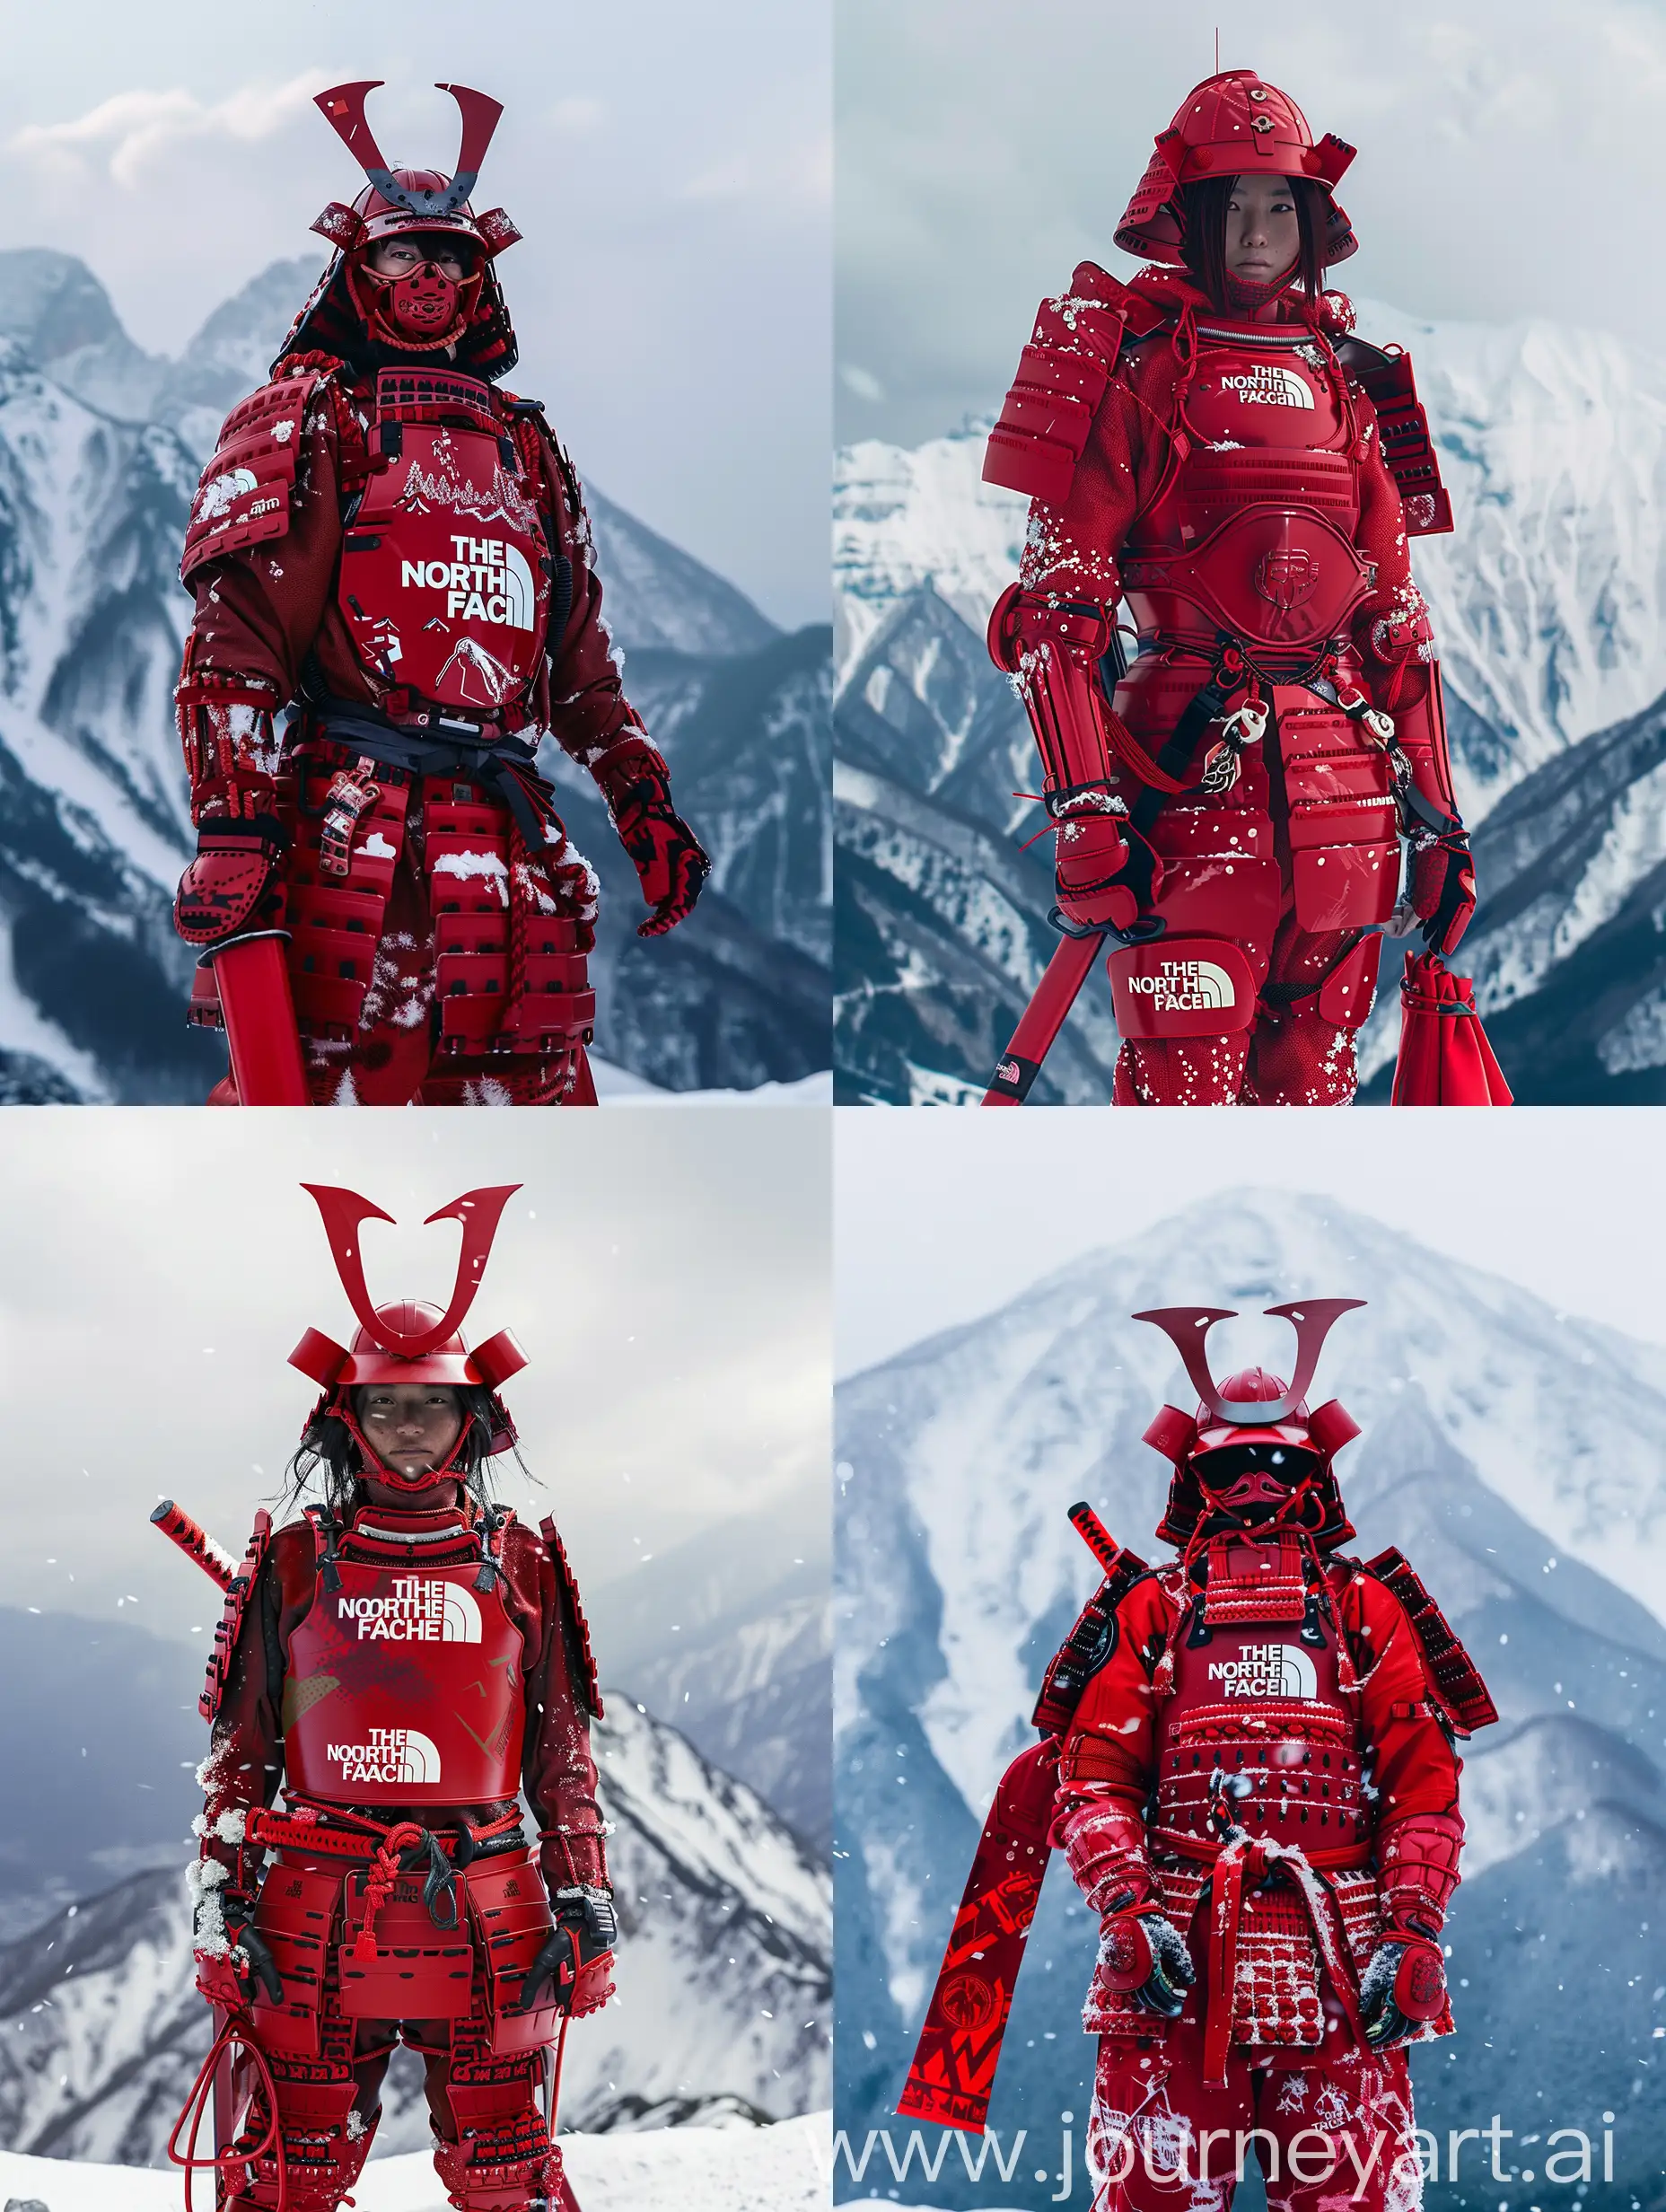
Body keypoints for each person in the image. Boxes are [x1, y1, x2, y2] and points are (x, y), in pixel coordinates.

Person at [172, 81, 706, 1103]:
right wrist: (231, 822)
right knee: (329, 1118)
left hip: (510, 852)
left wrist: (642, 798)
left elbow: (580, 660)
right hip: (349, 843)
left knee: (530, 1115)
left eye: (452, 253)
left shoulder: (528, 445)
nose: (430, 274)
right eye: (403, 251)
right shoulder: (307, 418)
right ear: (356, 269)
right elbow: (234, 645)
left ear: (481, 277)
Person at [901, 1300, 1495, 2211]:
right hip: (1183, 1943)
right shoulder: (1156, 1611)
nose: (1256, 1484)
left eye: (1276, 1463)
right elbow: (1091, 1779)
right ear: (1196, 1476)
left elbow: (1422, 1788)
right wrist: (1128, 1903)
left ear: (1309, 1472)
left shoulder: (1362, 1609)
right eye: (1235, 1466)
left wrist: (1410, 1926)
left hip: (1331, 1955)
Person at [983, 70, 1474, 1103]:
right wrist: (1082, 812)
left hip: (1348, 813)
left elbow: (1393, 625)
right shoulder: (1125, 364)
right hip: (1188, 806)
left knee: (1310, 1110)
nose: (1257, 229)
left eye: (1278, 204)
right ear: (1186, 215)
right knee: (1178, 1108)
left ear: (1311, 219)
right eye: (1233, 204)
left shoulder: (1348, 376)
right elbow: (1054, 619)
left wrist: (1439, 820)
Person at [182, 1184, 611, 2210]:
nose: (409, 1427)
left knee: (509, 2179)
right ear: (346, 1418)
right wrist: (217, 1893)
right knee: (283, 2178)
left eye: (433, 1404)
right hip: (308, 1906)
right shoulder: (290, 1561)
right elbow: (243, 1757)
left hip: (492, 1908)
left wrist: (584, 1885)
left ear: (474, 1419)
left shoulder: (522, 1561)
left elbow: (559, 1751)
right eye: (385, 1404)